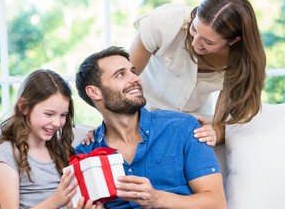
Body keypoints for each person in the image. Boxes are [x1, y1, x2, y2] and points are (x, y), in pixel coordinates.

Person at [75, 46, 227, 209]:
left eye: (133, 71)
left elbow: (216, 204)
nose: (135, 78)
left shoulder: (183, 128)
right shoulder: (86, 155)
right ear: (94, 92)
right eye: (120, 74)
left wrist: (158, 199)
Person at [129, 0, 266, 145]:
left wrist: (215, 133)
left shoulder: (240, 63)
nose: (195, 43)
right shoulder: (163, 22)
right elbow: (122, 80)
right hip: (143, 112)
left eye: (208, 42)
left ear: (233, 41)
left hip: (194, 121)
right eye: (194, 29)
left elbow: (221, 126)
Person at [0, 69, 101, 209]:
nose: (57, 123)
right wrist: (56, 201)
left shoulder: (59, 149)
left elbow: (69, 202)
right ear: (24, 107)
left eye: (63, 115)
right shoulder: (9, 153)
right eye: (49, 114)